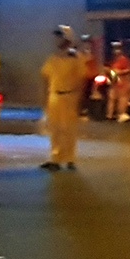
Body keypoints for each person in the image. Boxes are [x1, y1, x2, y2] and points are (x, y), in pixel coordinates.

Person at [41, 25, 88, 171]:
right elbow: (45, 77)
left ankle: (69, 159)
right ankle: (56, 158)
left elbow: (82, 79)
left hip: (69, 95)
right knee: (55, 128)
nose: (57, 40)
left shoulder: (75, 58)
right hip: (55, 95)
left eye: (60, 36)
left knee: (69, 128)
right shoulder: (54, 57)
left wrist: (80, 101)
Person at [104, 41, 130, 121]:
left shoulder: (124, 60)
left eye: (118, 49)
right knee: (111, 98)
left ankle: (121, 114)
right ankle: (109, 115)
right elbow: (110, 70)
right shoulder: (113, 60)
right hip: (114, 82)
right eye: (115, 49)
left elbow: (129, 69)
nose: (116, 51)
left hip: (122, 82)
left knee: (122, 99)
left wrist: (120, 72)